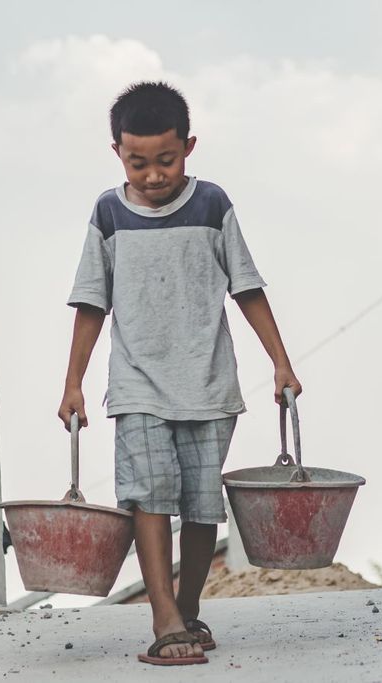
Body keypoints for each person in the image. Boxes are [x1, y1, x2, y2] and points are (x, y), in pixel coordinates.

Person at [57, 81, 301, 666]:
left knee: (200, 506)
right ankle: (164, 617)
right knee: (149, 497)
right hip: (138, 384)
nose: (152, 175)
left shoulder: (212, 204)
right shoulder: (108, 214)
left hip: (208, 384)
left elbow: (247, 287)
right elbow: (92, 302)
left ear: (188, 147)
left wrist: (281, 362)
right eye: (138, 162)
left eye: (165, 160)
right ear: (116, 151)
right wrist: (73, 383)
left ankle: (188, 607)